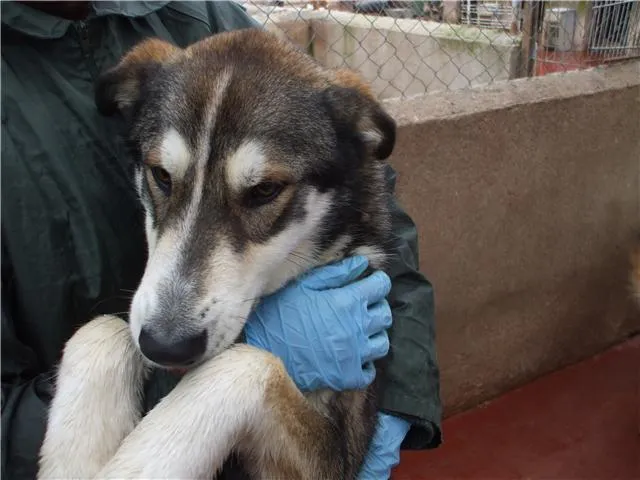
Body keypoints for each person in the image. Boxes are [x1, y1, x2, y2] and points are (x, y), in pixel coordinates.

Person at [0, 1, 442, 479]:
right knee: (102, 347)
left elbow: (382, 210)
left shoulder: (193, 16)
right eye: (164, 178)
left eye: (264, 191)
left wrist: (400, 400)